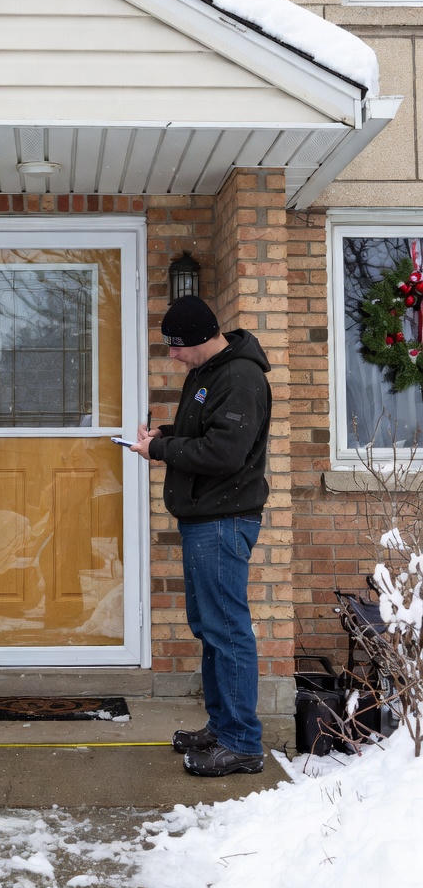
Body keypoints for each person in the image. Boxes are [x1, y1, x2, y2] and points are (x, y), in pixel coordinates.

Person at [132, 296, 271, 777]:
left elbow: (224, 452)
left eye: (176, 347)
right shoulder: (209, 374)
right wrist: (160, 437)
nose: (172, 356)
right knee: (210, 628)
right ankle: (222, 727)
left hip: (224, 519)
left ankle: (241, 743)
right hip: (204, 518)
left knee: (228, 630)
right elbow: (204, 431)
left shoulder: (240, 378)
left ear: (201, 338)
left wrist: (161, 449)